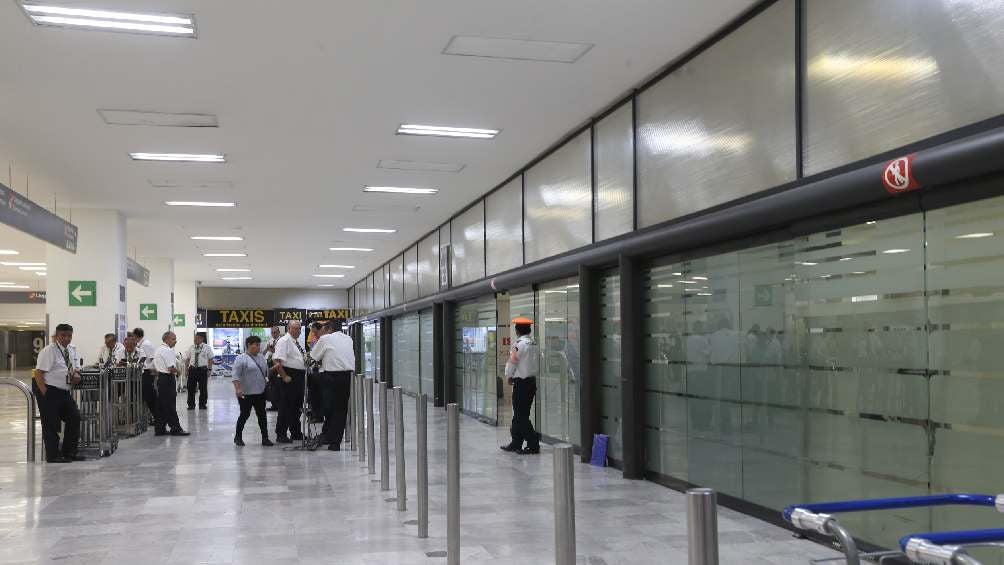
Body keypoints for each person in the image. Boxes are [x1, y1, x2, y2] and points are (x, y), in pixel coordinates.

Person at [33, 323, 85, 463]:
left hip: (64, 390)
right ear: (57, 336)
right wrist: (45, 394)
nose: (66, 338)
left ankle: (69, 452)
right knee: (51, 423)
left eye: (69, 335)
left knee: (74, 417)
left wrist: (77, 374)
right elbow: (38, 373)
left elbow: (74, 367)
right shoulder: (49, 351)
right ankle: (53, 455)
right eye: (63, 335)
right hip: (49, 389)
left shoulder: (71, 349)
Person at [309, 320, 355, 451]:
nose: (321, 331)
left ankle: (316, 411)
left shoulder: (325, 338)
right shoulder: (348, 338)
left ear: (329, 328)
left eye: (323, 328)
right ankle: (334, 442)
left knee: (313, 380)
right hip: (347, 377)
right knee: (340, 410)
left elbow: (313, 356)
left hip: (331, 377)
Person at [501, 317, 541, 455]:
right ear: (529, 330)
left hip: (521, 384)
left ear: (517, 330)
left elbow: (512, 362)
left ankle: (533, 444)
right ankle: (516, 442)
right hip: (531, 383)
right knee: (520, 414)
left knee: (520, 416)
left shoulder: (518, 345)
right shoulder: (534, 344)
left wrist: (508, 375)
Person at [231, 336, 273, 447]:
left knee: (262, 415)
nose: (259, 347)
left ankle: (265, 438)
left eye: (259, 345)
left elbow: (266, 372)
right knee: (244, 415)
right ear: (249, 345)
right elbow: (235, 375)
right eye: (256, 345)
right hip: (245, 393)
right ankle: (238, 436)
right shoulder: (241, 358)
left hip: (260, 392)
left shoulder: (261, 357)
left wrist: (275, 367)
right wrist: (238, 389)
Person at [273, 320, 306, 443]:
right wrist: (284, 376)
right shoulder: (284, 340)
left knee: (297, 406)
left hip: (299, 376)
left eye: (299, 328)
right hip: (289, 375)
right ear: (289, 328)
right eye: (295, 328)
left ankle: (295, 432)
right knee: (286, 406)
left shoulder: (296, 342)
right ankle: (281, 434)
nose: (298, 331)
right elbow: (276, 360)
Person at [153, 331, 189, 436]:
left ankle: (160, 429)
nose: (175, 341)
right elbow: (171, 368)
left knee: (162, 405)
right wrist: (179, 372)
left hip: (161, 378)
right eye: (173, 339)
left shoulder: (159, 349)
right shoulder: (168, 350)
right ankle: (176, 428)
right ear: (167, 339)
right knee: (170, 405)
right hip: (167, 379)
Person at [133, 328, 159, 430]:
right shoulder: (141, 344)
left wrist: (153, 370)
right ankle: (153, 417)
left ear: (136, 336)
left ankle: (158, 417)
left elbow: (152, 358)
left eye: (133, 336)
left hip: (148, 372)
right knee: (146, 397)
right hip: (144, 372)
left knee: (150, 397)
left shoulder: (146, 344)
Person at [184, 332, 213, 410]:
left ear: (201, 339)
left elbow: (210, 359)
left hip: (202, 370)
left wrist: (209, 369)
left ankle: (202, 404)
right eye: (194, 338)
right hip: (192, 370)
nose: (194, 340)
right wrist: (186, 370)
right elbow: (187, 359)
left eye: (196, 338)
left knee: (203, 388)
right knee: (190, 388)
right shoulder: (191, 347)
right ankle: (191, 405)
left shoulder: (207, 347)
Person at [306, 321, 328, 423]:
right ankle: (315, 413)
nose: (314, 334)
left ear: (321, 330)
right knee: (314, 393)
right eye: (312, 332)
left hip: (323, 371)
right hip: (316, 369)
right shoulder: (315, 339)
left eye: (315, 332)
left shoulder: (324, 340)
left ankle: (318, 415)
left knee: (318, 394)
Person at [264, 326, 281, 411]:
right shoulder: (270, 341)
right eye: (272, 333)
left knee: (278, 385)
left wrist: (273, 350)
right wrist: (267, 350)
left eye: (275, 332)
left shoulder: (281, 341)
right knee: (271, 385)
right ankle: (273, 404)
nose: (273, 334)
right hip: (269, 363)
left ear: (278, 332)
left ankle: (279, 405)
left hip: (278, 363)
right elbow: (264, 351)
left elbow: (279, 353)